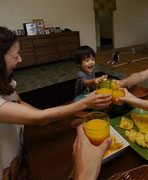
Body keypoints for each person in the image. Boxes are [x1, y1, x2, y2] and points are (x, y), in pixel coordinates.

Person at [0, 26, 112, 179]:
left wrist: (43, 116)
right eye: (16, 55)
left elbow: (20, 104)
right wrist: (87, 102)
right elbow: (40, 118)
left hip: (22, 159)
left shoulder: (7, 83)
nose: (20, 59)